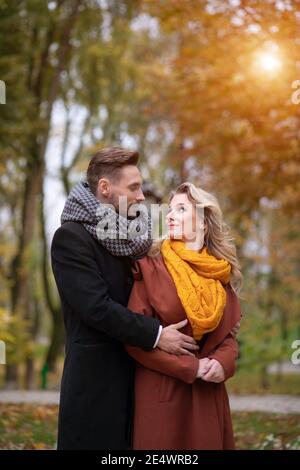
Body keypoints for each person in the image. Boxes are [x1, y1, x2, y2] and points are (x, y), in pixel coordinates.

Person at [51, 148, 198, 450]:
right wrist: (156, 335)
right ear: (105, 188)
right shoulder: (71, 238)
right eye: (133, 187)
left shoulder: (135, 240)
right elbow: (96, 308)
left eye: (141, 187)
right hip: (96, 385)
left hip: (142, 380)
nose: (142, 196)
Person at [125, 182, 243, 450]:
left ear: (203, 222)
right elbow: (133, 339)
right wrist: (190, 367)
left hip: (207, 395)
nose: (169, 215)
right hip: (163, 392)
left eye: (181, 209)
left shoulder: (218, 273)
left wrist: (223, 363)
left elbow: (228, 339)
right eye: (170, 210)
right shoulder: (151, 267)